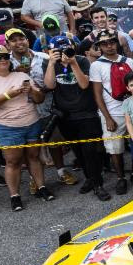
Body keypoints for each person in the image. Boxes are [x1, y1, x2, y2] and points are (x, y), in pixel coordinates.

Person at [0, 43, 53, 211]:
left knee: (34, 157)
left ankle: (41, 187)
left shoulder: (20, 75)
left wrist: (32, 90)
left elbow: (39, 99)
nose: (3, 60)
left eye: (5, 57)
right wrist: (8, 95)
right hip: (7, 126)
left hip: (31, 121)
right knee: (13, 161)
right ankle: (14, 196)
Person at [43, 36, 109, 201]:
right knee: (78, 151)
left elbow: (84, 84)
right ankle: (89, 178)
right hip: (65, 116)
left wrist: (73, 63)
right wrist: (51, 63)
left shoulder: (82, 61)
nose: (65, 53)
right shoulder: (50, 63)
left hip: (86, 113)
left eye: (67, 48)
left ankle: (98, 184)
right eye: (60, 50)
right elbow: (50, 85)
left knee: (90, 150)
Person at [87, 29, 133, 194]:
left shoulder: (129, 61)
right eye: (104, 44)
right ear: (99, 46)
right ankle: (121, 177)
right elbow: (97, 93)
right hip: (112, 112)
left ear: (117, 43)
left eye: (112, 42)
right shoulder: (96, 66)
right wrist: (107, 117)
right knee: (115, 148)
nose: (109, 46)